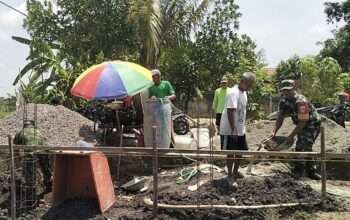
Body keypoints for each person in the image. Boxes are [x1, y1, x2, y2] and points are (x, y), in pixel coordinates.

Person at [272, 79, 321, 180]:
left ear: (294, 88)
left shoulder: (301, 101)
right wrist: (274, 132)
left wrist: (291, 136)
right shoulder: (283, 101)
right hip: (300, 123)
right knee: (306, 147)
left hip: (311, 124)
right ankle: (311, 170)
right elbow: (280, 117)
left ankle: (300, 170)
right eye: (284, 90)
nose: (286, 92)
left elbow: (303, 122)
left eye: (288, 90)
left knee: (302, 146)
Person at [220, 72, 256, 186]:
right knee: (231, 153)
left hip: (240, 129)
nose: (251, 87)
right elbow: (231, 111)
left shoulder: (244, 93)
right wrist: (234, 130)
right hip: (230, 129)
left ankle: (236, 171)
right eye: (249, 84)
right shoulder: (233, 92)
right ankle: (230, 175)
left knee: (240, 152)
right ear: (243, 82)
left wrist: (241, 128)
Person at [14, 120, 52, 196]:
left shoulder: (20, 133)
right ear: (32, 125)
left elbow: (15, 147)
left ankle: (31, 192)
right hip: (44, 150)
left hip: (30, 152)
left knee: (30, 172)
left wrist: (19, 158)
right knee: (45, 168)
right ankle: (49, 184)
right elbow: (45, 141)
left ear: (24, 126)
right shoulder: (38, 131)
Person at [148, 69, 176, 148]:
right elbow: (149, 98)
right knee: (159, 128)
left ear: (159, 77)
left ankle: (171, 145)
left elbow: (173, 95)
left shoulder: (166, 84)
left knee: (168, 127)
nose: (153, 79)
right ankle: (159, 146)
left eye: (155, 77)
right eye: (152, 77)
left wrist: (168, 97)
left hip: (166, 109)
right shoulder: (151, 87)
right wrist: (152, 97)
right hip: (157, 111)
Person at [212, 76, 229, 147]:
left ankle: (226, 135)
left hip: (228, 111)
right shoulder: (217, 91)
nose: (224, 84)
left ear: (227, 83)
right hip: (219, 111)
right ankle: (220, 134)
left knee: (227, 127)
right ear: (221, 83)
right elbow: (215, 101)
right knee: (219, 126)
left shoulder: (231, 91)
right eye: (222, 83)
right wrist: (213, 108)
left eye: (225, 83)